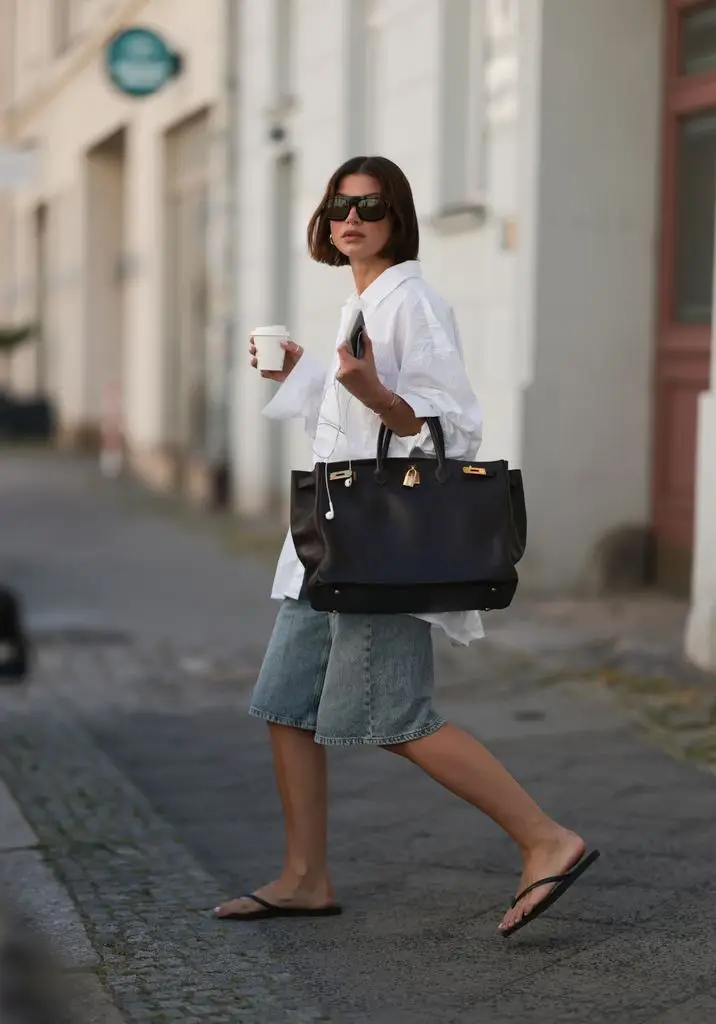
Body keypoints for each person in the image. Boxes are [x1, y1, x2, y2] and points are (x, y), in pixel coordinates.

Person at [215, 156, 598, 936]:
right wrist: (310, 376)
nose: (351, 218)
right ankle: (304, 877)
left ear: (398, 219)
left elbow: (448, 425)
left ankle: (547, 840)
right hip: (332, 539)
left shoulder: (412, 302)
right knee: (286, 706)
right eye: (339, 206)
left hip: (379, 545)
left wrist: (375, 395)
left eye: (371, 205)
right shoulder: (362, 301)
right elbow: (356, 417)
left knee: (395, 716)